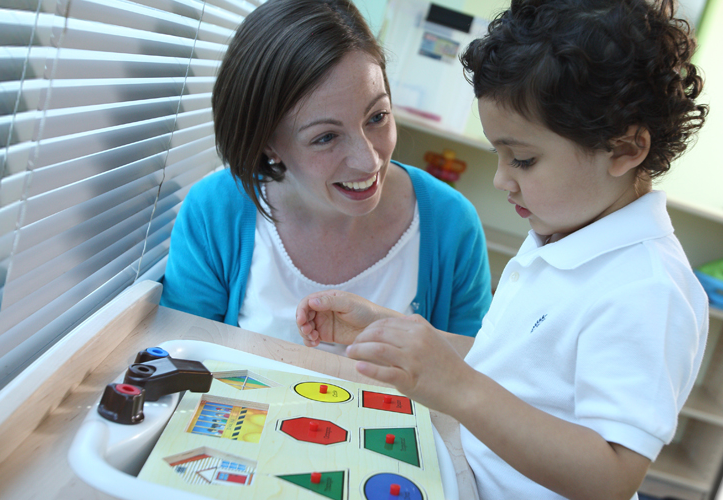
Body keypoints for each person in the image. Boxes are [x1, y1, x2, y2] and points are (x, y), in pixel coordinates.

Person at [296, 0, 710, 498]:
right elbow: (512, 367)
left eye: (524, 160)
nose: (500, 180)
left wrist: (459, 388)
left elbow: (612, 477)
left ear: (623, 150)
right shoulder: (562, 239)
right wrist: (393, 331)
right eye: (500, 155)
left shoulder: (647, 289)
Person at [160, 0, 493, 353]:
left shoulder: (452, 223)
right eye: (326, 137)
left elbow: (478, 371)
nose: (368, 161)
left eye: (377, 117)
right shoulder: (213, 212)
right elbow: (178, 357)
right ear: (269, 144)